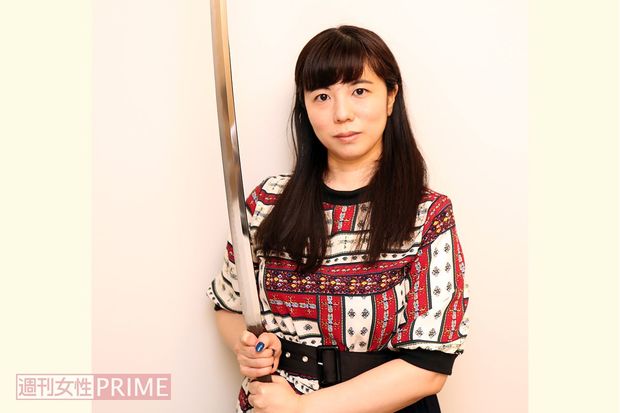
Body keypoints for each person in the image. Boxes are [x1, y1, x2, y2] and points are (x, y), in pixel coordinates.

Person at [207, 25, 470, 413]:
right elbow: (228, 303)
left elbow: (428, 367)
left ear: (391, 97)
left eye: (359, 91)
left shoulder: (427, 214)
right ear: (305, 107)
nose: (342, 114)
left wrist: (302, 409)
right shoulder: (266, 203)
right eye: (322, 96)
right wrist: (250, 347)